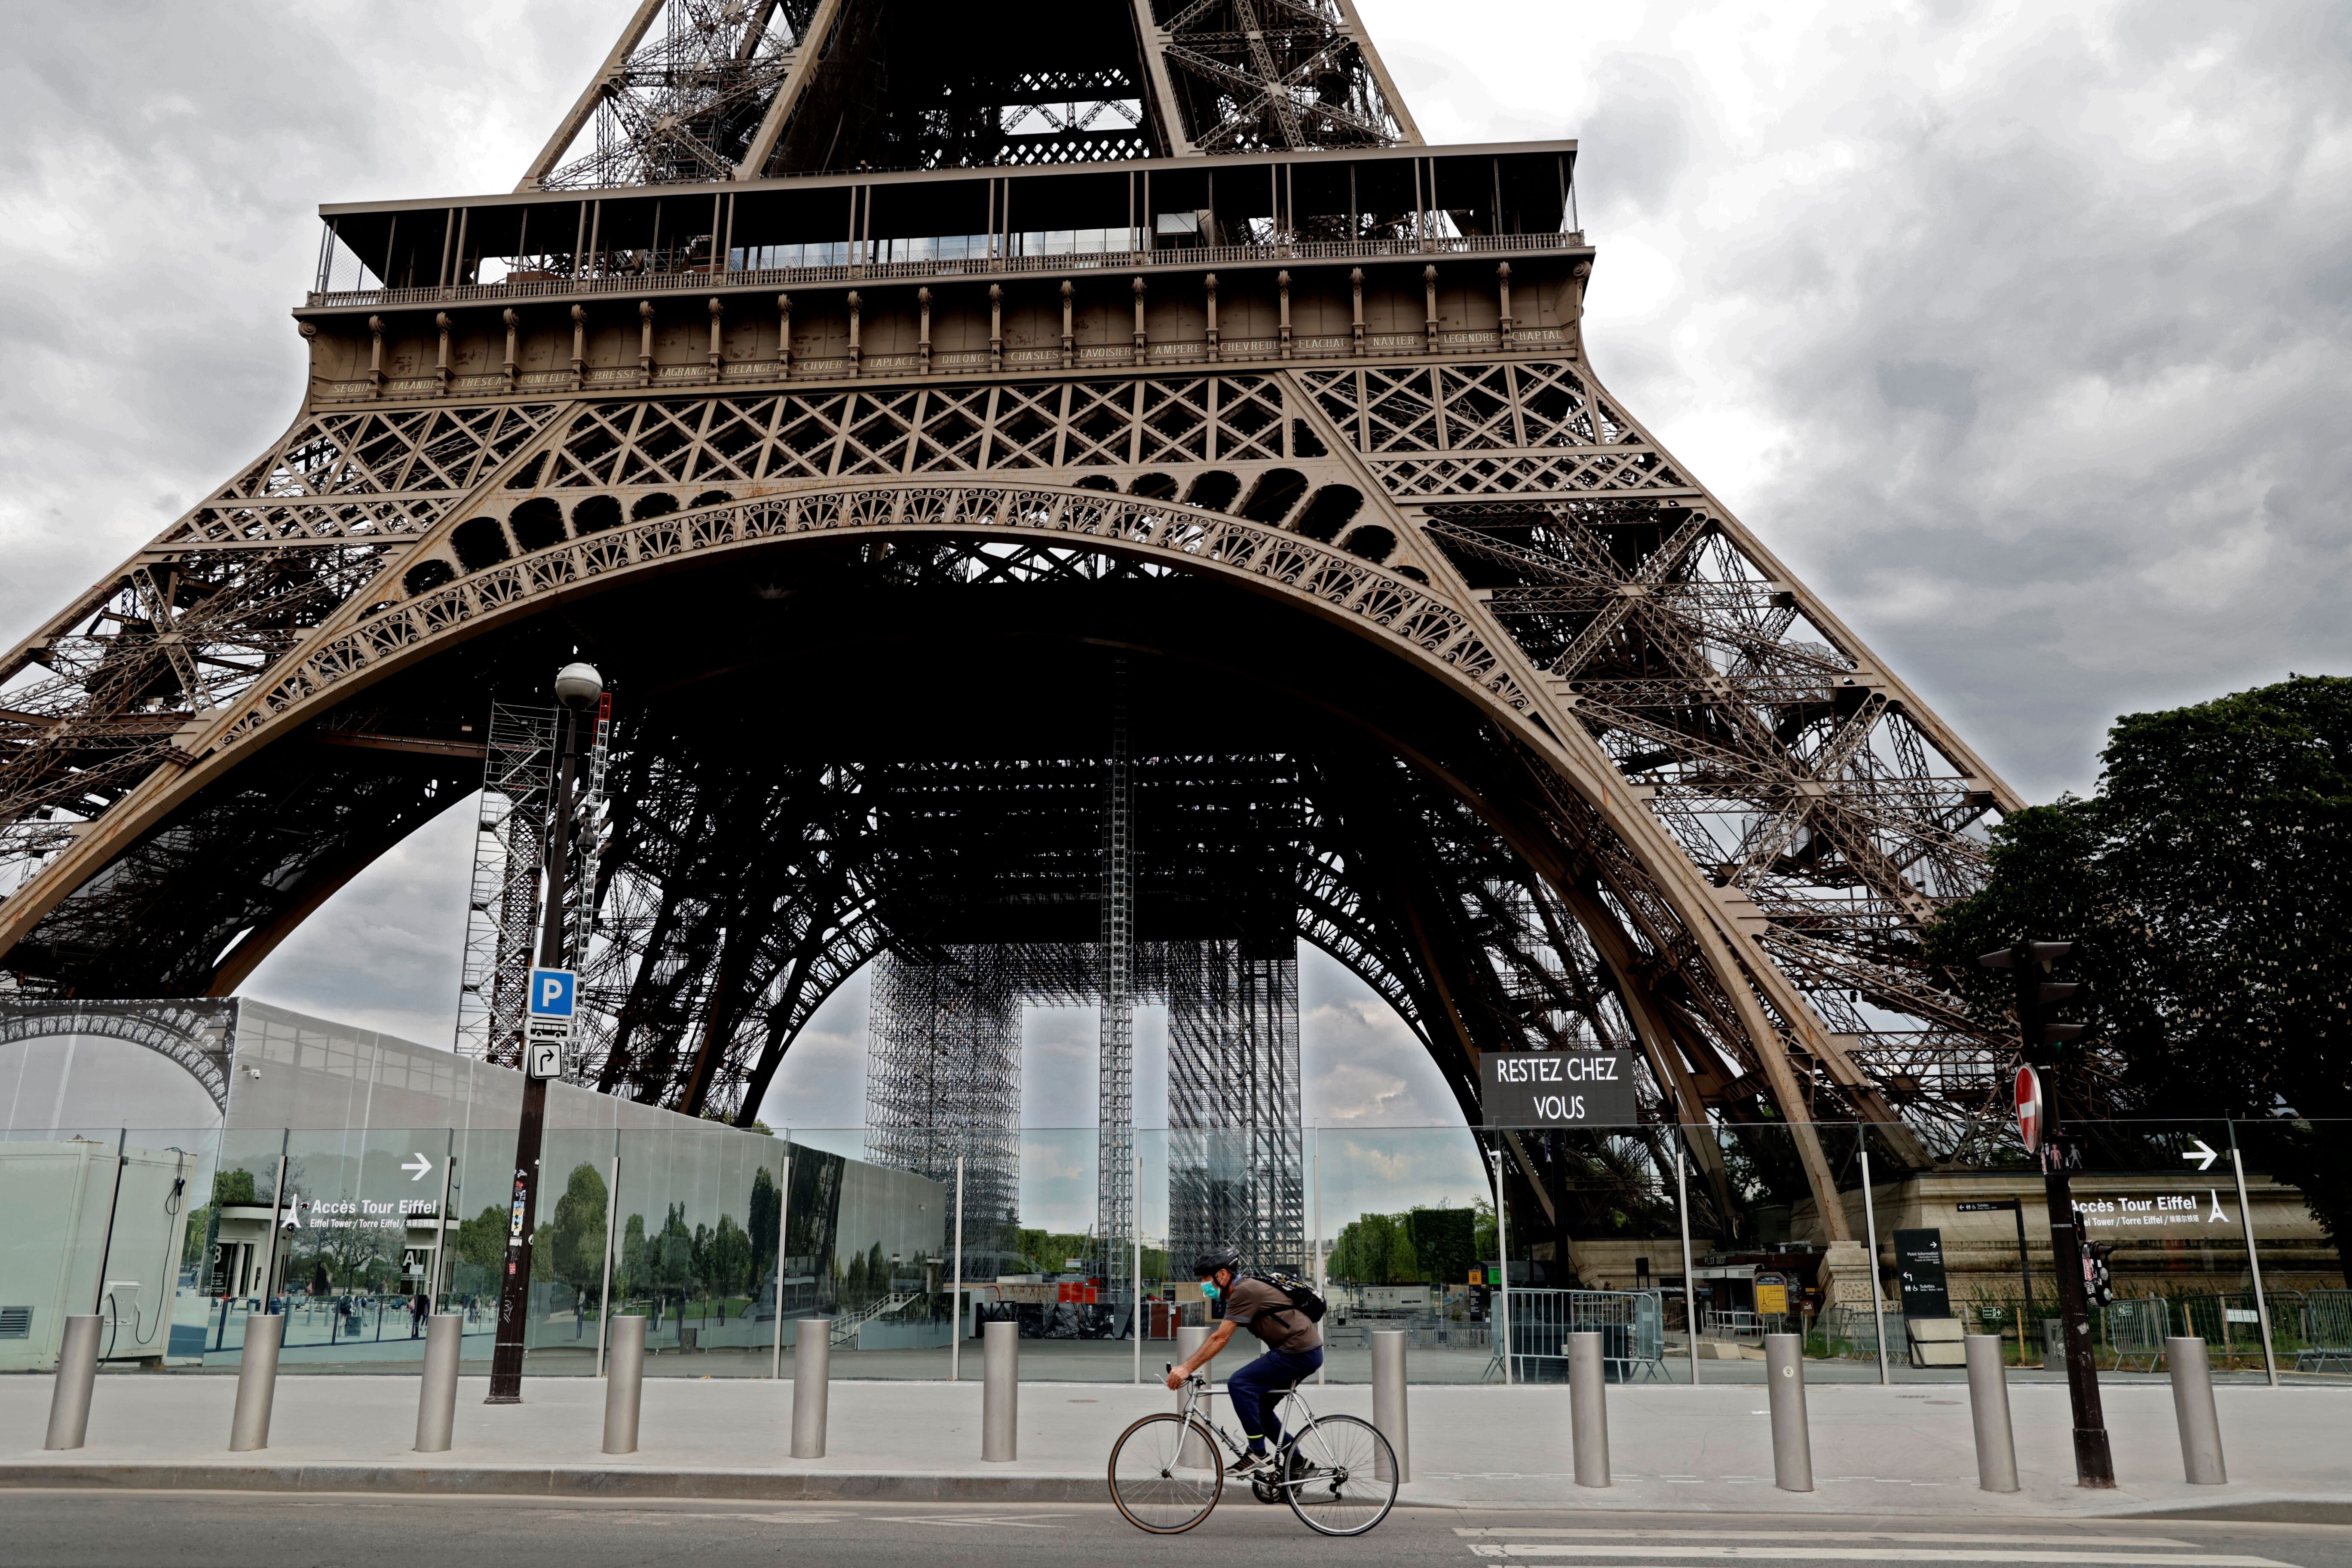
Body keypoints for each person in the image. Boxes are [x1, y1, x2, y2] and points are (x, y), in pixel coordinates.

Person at [1164, 1246, 1322, 1479]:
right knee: (1261, 1409)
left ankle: (1258, 1455)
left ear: (1223, 1275)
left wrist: (1187, 1367)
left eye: (1207, 1278)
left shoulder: (1244, 1291)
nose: (1204, 1284)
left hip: (1297, 1352)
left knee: (1239, 1383)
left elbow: (1221, 1337)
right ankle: (1297, 1462)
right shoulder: (1244, 1289)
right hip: (1302, 1351)